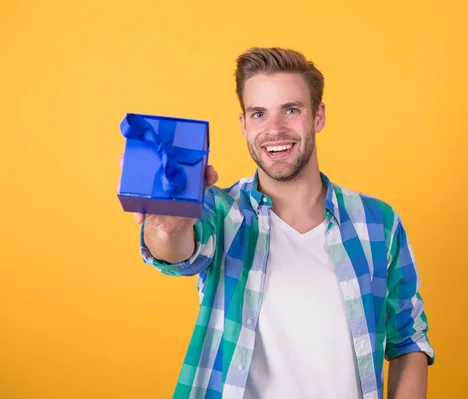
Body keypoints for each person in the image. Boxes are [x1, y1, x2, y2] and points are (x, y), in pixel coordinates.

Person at [128, 47, 435, 399]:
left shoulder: (378, 223)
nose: (274, 130)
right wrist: (168, 226)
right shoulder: (220, 211)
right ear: (243, 125)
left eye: (291, 110)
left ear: (317, 116)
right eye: (258, 114)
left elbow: (407, 339)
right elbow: (181, 254)